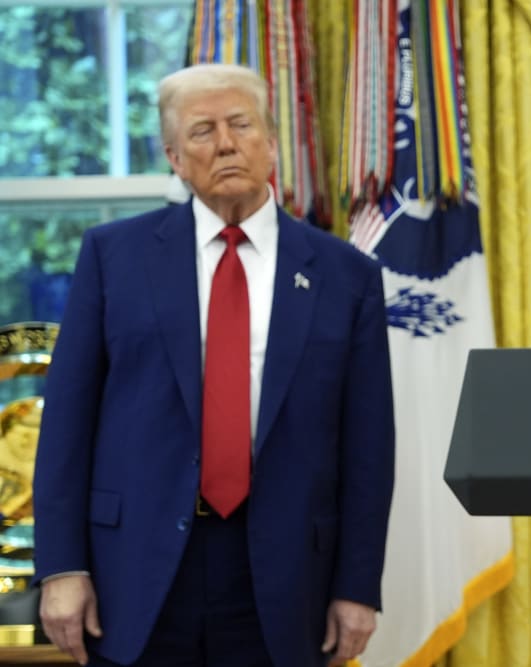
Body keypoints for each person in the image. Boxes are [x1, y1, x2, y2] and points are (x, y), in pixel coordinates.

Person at [32, 63, 395, 667]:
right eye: (202, 131)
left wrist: (357, 586)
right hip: (134, 569)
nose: (225, 143)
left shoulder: (345, 275)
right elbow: (67, 424)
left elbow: (368, 444)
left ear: (273, 143)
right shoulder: (113, 257)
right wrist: (62, 567)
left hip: (284, 577)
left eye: (241, 125)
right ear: (174, 157)